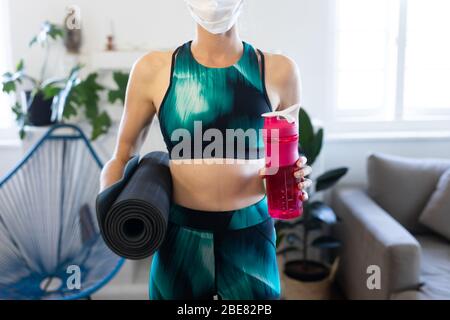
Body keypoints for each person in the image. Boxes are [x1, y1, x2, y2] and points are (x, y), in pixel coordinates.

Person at [100, 0, 312, 300]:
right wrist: (108, 210)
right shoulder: (153, 70)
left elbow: (288, 158)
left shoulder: (280, 71)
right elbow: (122, 155)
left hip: (250, 236)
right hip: (180, 238)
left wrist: (298, 175)